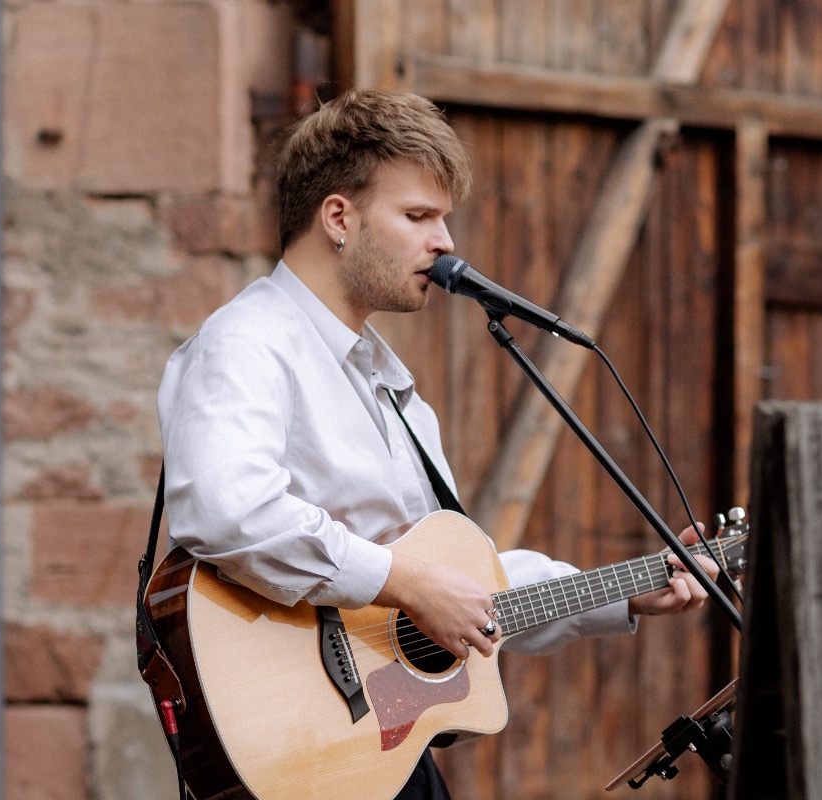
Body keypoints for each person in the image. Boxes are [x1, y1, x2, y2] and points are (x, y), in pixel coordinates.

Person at [156, 89, 719, 800]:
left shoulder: (388, 383)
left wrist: (630, 592)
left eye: (443, 219)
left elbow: (462, 587)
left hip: (378, 748)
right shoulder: (248, 343)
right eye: (419, 216)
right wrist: (408, 585)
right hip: (298, 746)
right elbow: (227, 509)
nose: (446, 242)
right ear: (339, 218)